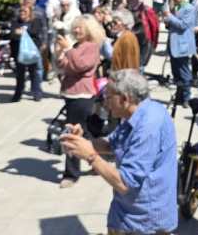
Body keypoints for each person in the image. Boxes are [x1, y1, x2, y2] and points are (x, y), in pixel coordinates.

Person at [61, 69, 177, 234]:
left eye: (108, 97)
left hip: (143, 221)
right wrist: (82, 142)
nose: (105, 102)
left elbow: (125, 184)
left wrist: (90, 156)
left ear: (124, 99)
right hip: (127, 212)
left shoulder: (148, 126)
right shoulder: (136, 113)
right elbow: (111, 144)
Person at [56, 15, 103, 188]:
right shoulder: (76, 46)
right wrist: (60, 53)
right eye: (75, 27)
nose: (76, 31)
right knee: (84, 131)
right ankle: (97, 161)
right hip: (71, 93)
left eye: (80, 28)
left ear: (89, 30)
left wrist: (68, 50)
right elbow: (64, 66)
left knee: (72, 133)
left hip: (82, 94)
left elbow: (81, 65)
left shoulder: (91, 47)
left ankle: (71, 174)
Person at [163, 0, 196, 105]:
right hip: (173, 45)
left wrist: (169, 16)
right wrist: (167, 20)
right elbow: (171, 24)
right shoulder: (174, 7)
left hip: (182, 46)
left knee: (184, 72)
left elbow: (183, 25)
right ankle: (179, 95)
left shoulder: (189, 8)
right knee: (176, 72)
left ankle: (187, 97)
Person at [9, 4, 46, 102]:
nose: (22, 13)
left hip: (31, 51)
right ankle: (18, 93)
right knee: (20, 74)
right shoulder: (15, 22)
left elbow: (35, 31)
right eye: (21, 11)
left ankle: (36, 92)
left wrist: (22, 31)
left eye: (25, 11)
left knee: (34, 73)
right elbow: (12, 34)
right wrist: (21, 32)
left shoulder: (35, 21)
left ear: (30, 12)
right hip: (19, 52)